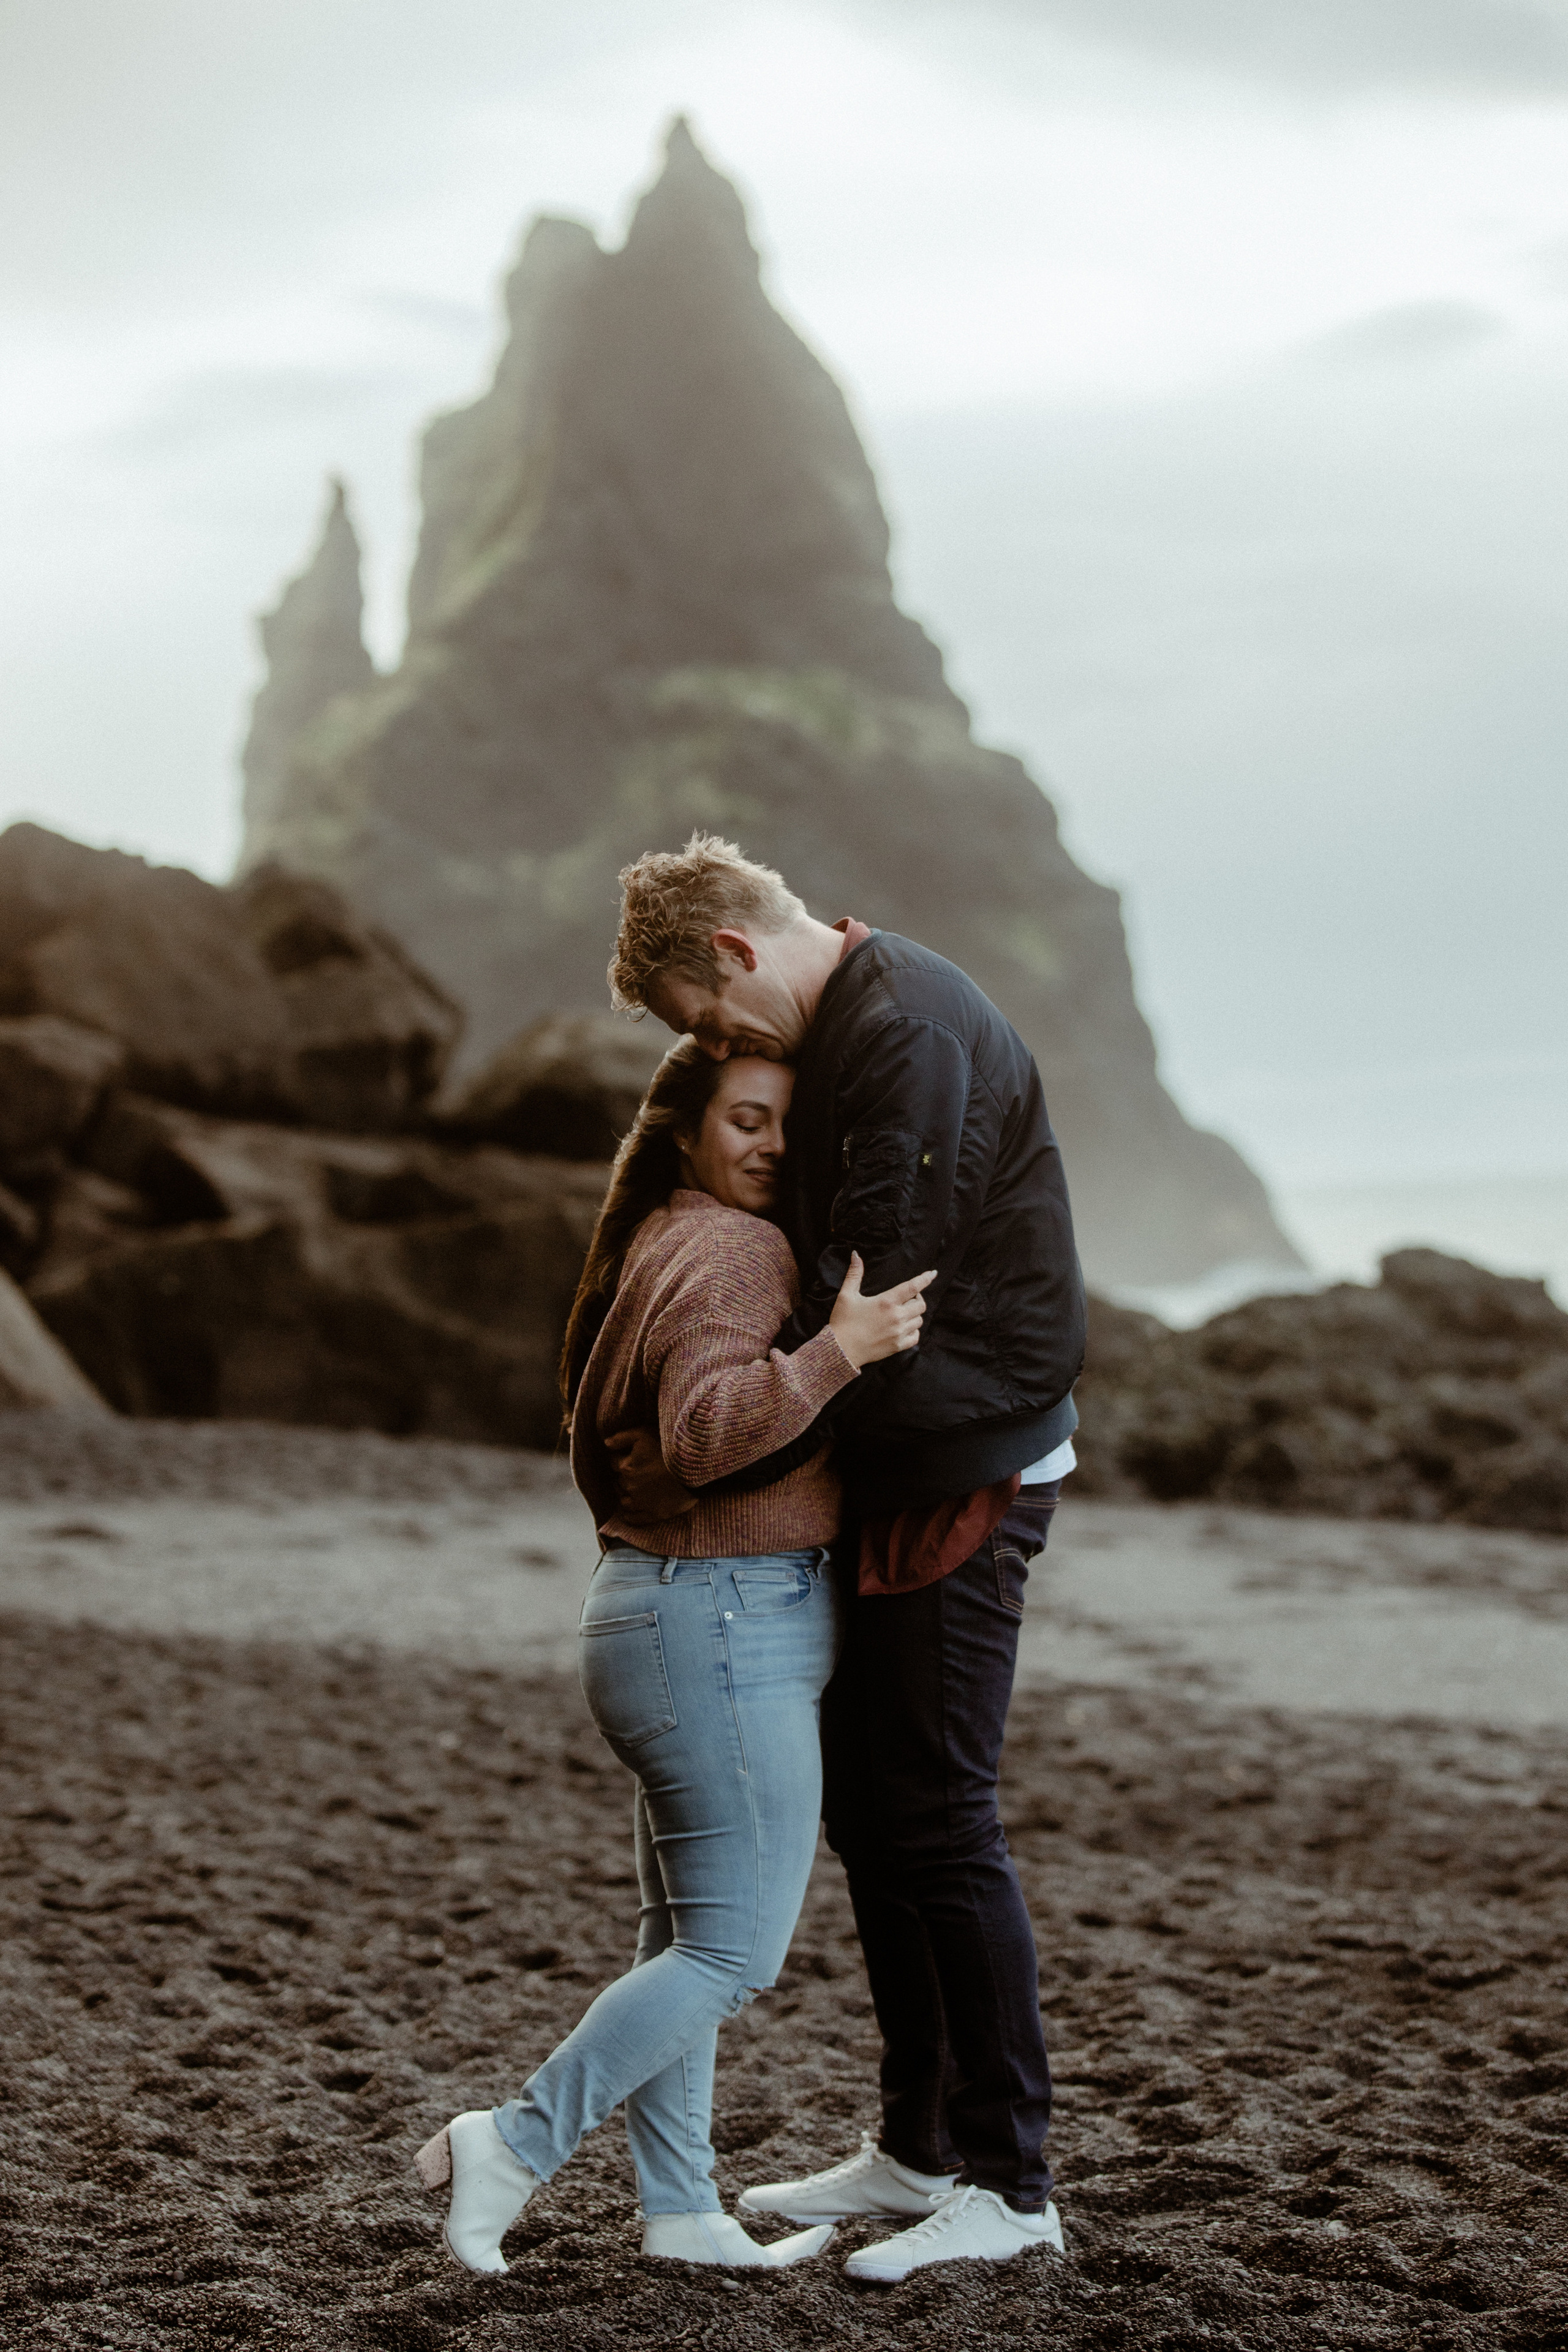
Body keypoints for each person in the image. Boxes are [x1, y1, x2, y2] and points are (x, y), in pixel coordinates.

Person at [604, 833, 1084, 2284]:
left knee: (937, 1817)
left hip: (964, 1465)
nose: (718, 1048)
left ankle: (1009, 2185)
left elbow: (875, 1283)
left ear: (734, 955)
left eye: (704, 1020)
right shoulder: (862, 1021)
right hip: (896, 1466)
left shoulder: (909, 1028)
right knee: (879, 1822)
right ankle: (918, 2148)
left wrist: (722, 1447)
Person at [413, 1039, 933, 2276]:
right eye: (745, 1119)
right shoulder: (732, 1249)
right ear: (688, 1131)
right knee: (729, 1953)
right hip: (716, 1623)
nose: (767, 1145)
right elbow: (705, 1434)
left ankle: (684, 2209)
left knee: (682, 1941)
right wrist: (840, 1353)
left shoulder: (659, 1234)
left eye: (785, 1128)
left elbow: (622, 1451)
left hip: (665, 1615)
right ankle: (515, 2140)